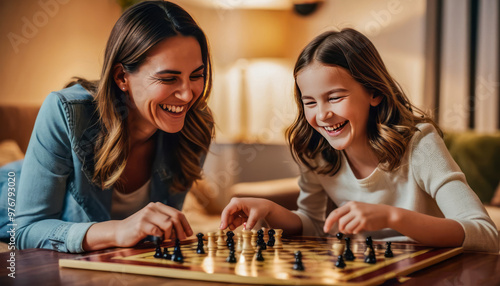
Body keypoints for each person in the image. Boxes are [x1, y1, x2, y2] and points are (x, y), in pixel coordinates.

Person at [220, 28, 499, 253]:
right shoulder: (316, 151)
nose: (323, 115)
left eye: (335, 97)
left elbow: (485, 234)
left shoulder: (420, 144)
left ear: (373, 93)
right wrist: (271, 209)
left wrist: (392, 217)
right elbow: (315, 226)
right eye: (310, 102)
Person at [0, 1, 214, 253]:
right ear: (122, 77)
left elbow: (163, 232)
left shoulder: (196, 125)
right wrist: (118, 229)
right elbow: (27, 230)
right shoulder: (64, 110)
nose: (188, 95)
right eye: (169, 78)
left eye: (196, 75)